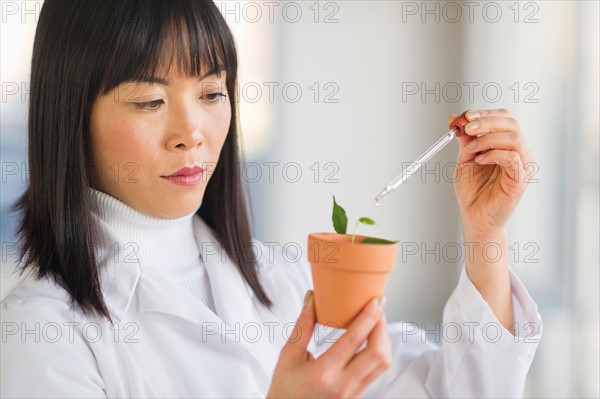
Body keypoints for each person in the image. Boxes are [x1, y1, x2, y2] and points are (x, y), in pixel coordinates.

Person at [0, 1, 542, 397]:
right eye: (150, 100)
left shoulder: (286, 284)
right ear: (71, 117)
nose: (192, 132)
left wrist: (484, 235)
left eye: (212, 93)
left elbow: (452, 390)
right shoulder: (42, 334)